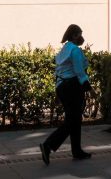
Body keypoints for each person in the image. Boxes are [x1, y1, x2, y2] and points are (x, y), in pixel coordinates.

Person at [40, 24, 92, 164]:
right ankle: (48, 145)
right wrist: (87, 86)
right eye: (80, 34)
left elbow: (59, 71)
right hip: (72, 86)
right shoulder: (74, 50)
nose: (82, 37)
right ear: (74, 35)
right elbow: (79, 70)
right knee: (73, 120)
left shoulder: (64, 49)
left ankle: (77, 151)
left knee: (74, 119)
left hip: (62, 86)